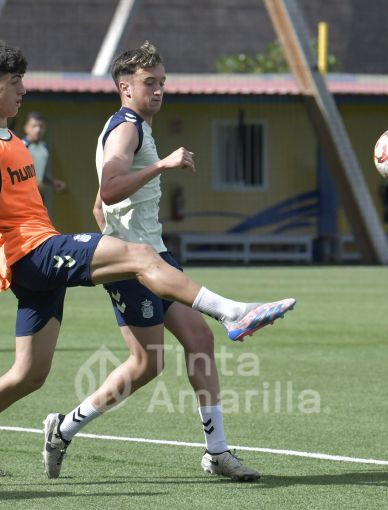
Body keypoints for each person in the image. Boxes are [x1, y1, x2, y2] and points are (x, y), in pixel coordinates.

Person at [0, 42, 295, 489]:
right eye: (15, 83)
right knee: (139, 256)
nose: (23, 90)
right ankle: (233, 311)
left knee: (29, 375)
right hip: (34, 254)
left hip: (36, 260)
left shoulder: (12, 139)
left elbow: (98, 194)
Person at [41, 41, 260, 483]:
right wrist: (162, 165)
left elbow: (100, 205)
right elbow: (109, 188)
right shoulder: (127, 127)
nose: (158, 90)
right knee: (147, 365)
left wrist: (115, 226)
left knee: (199, 338)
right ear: (125, 87)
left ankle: (216, 452)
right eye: (149, 83)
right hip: (133, 265)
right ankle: (63, 429)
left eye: (161, 82)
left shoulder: (132, 124)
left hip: (153, 255)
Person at [0, 112, 67, 301]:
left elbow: (37, 173)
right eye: (34, 126)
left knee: (23, 246)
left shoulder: (44, 148)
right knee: (18, 245)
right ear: (26, 128)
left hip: (35, 202)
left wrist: (52, 182)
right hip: (18, 205)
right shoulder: (19, 146)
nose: (38, 130)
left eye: (41, 127)